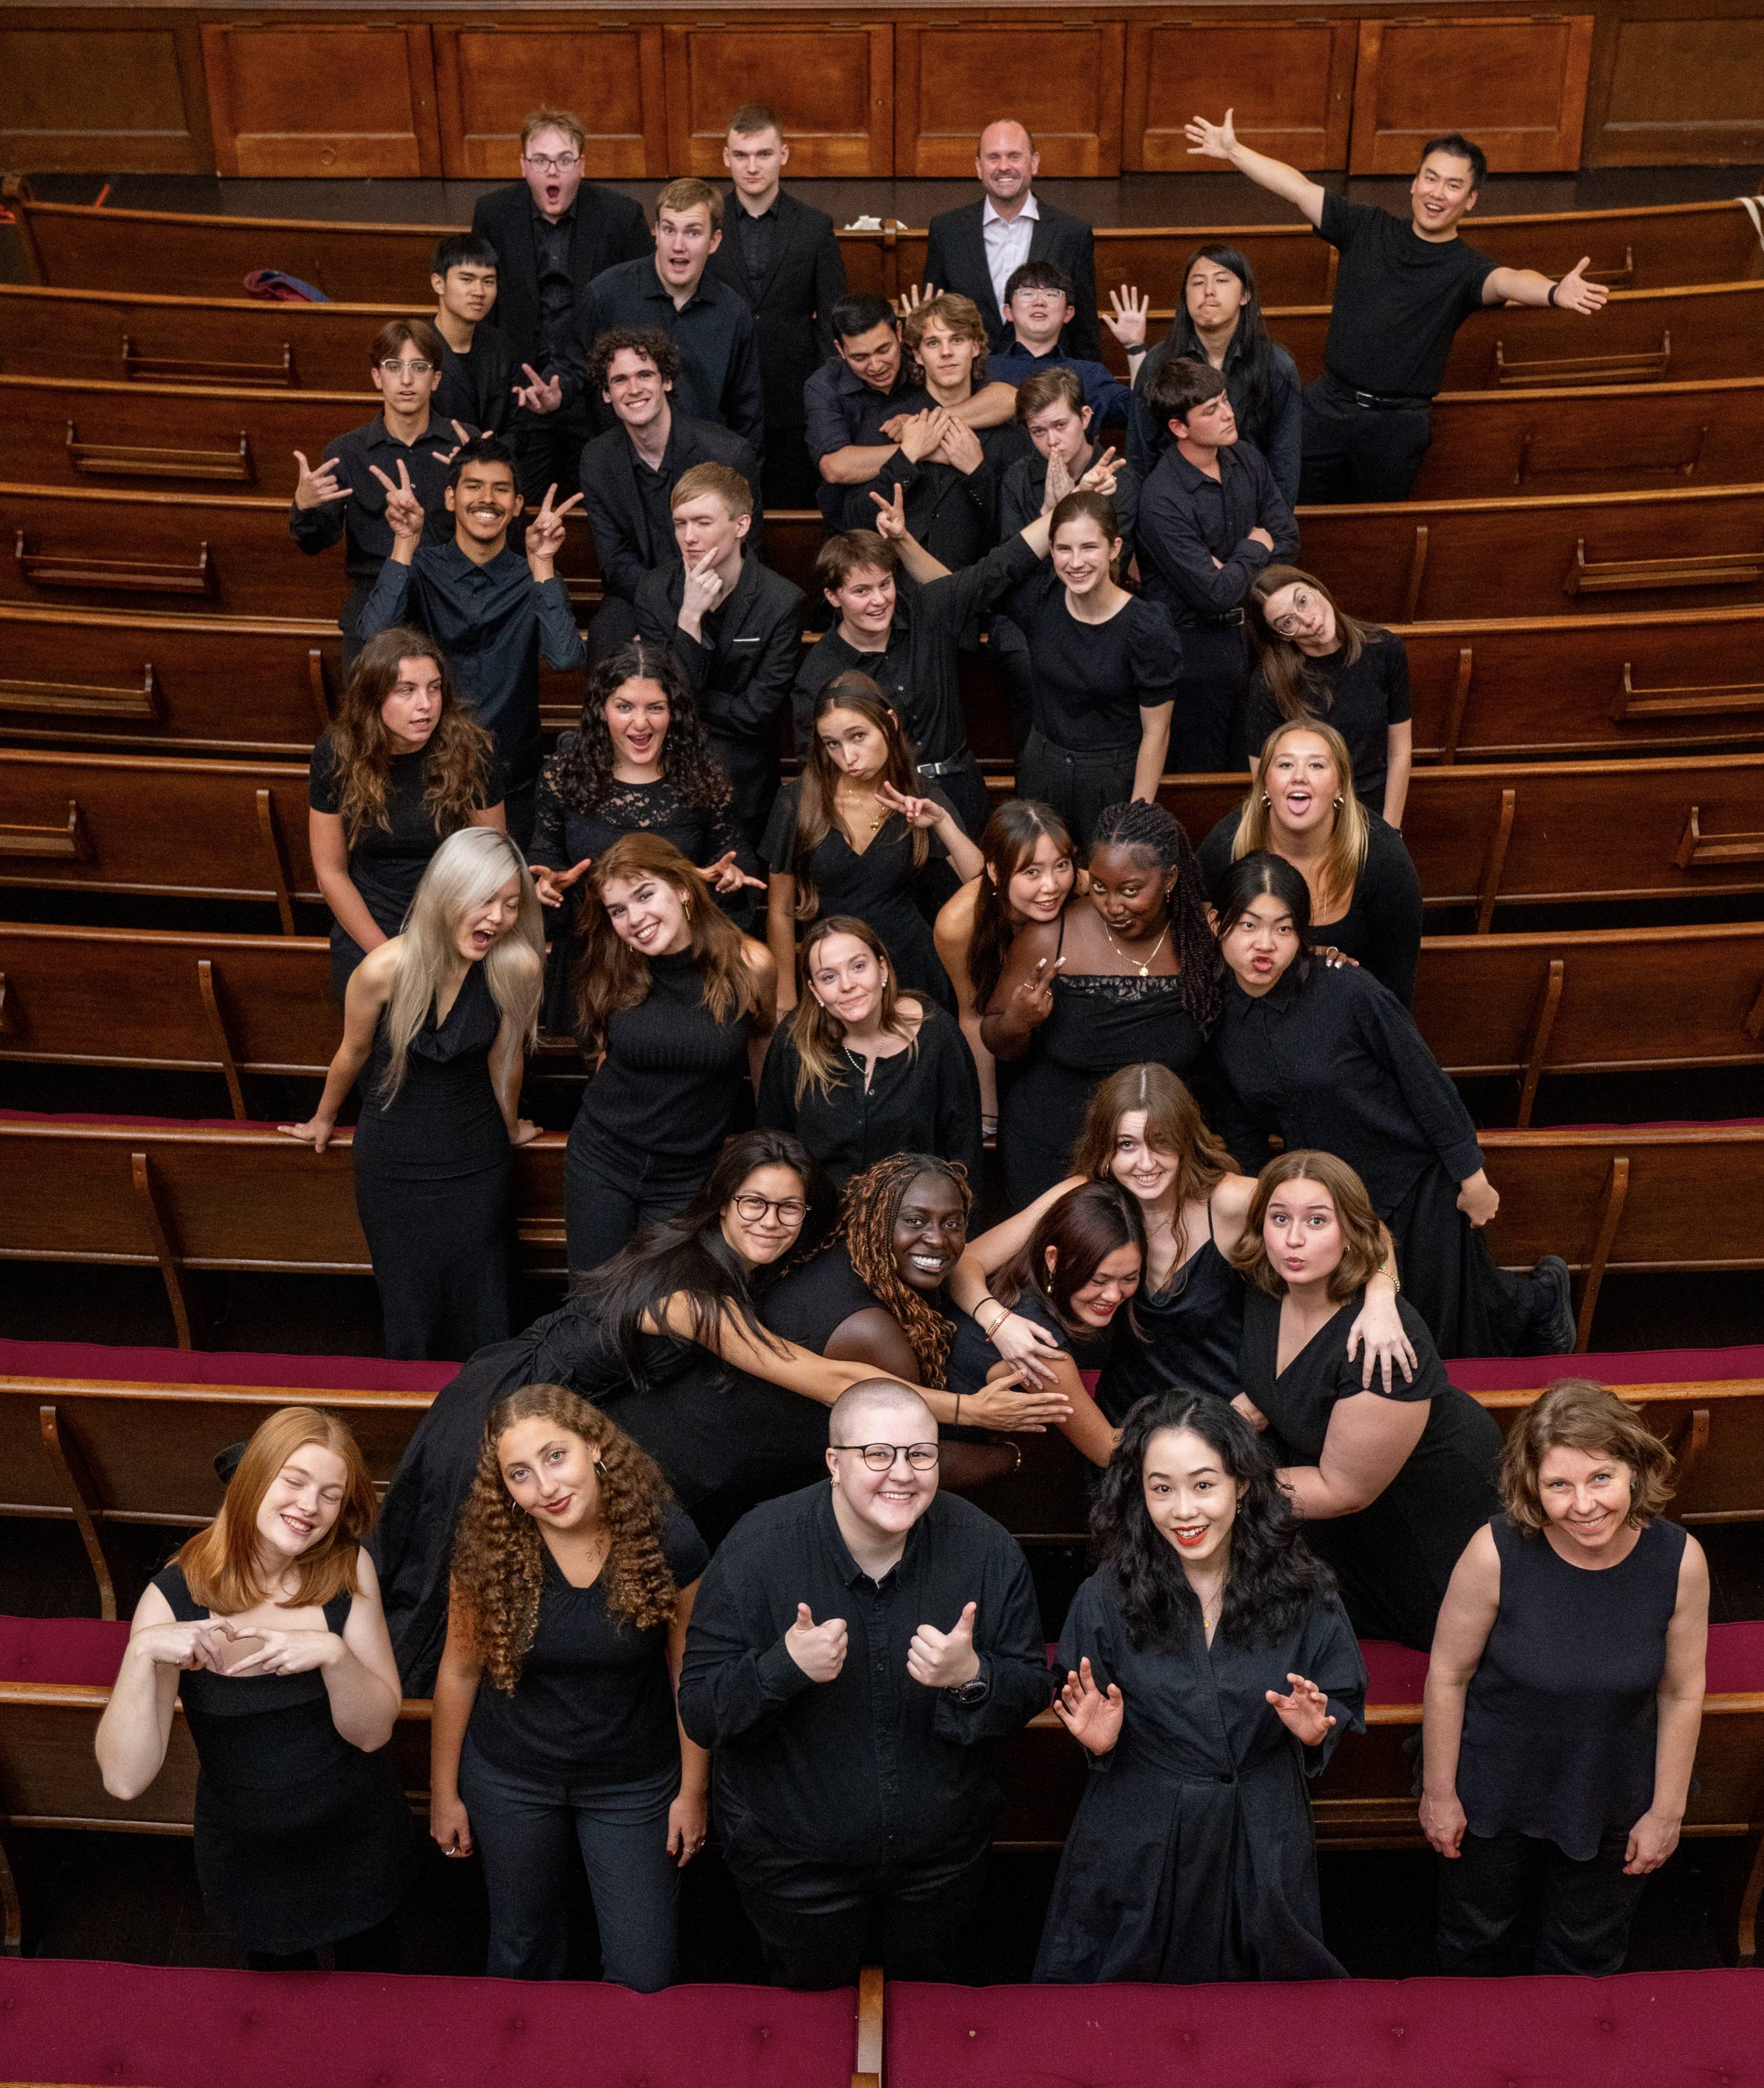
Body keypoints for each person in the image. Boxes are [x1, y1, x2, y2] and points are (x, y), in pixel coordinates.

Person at [373, 1133, 1066, 1685]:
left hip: (572, 1413)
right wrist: (968, 1408)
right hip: (506, 1405)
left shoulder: (754, 1268)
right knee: (439, 1584)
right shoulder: (691, 1292)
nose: (771, 1221)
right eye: (754, 1204)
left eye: (788, 1208)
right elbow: (825, 1377)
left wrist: (1049, 1213)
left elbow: (949, 1258)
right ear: (722, 1202)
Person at [676, 1377, 1050, 1988]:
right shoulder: (756, 1548)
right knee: (806, 2014)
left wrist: (972, 1677)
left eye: (920, 1453)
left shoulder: (985, 1548)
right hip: (795, 1866)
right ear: (833, 1461)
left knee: (929, 2008)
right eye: (877, 1453)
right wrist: (782, 1667)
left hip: (939, 1861)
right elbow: (702, 1711)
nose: (901, 1473)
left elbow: (1030, 1686)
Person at [1034, 1392, 1365, 1983]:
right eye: (1161, 1488)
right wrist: (1095, 1740)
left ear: (1241, 1483)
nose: (1183, 1510)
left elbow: (1338, 1692)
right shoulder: (1104, 1594)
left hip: (1259, 1825)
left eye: (1203, 1484)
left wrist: (1318, 1729)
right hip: (1140, 1824)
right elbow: (1079, 1696)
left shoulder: (1304, 1590)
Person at [1209, 853, 1577, 1362]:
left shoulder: (1346, 988)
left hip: (1412, 1177)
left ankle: (1541, 1301)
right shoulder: (1219, 1015)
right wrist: (1264, 1208)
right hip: (1333, 1196)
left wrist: (1471, 1176)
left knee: (1438, 1331)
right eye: (1248, 926)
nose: (1264, 945)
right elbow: (1243, 1125)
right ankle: (1539, 1299)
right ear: (1216, 923)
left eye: (1283, 928)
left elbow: (1422, 1078)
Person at [95, 1407, 415, 1971]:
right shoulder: (174, 1593)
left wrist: (337, 1658)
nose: (309, 1507)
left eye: (330, 1494)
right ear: (253, 1478)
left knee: (375, 1988)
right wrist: (143, 1655)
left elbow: (372, 1734)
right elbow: (124, 1780)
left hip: (358, 1837)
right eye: (293, 1481)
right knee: (279, 2014)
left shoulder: (348, 1566)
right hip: (250, 1855)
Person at [1422, 1380, 1709, 1975]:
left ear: (1632, 1467)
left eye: (1599, 1477)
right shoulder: (1492, 1551)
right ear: (1532, 1486)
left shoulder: (1679, 1559)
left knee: (1584, 1951)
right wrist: (1438, 1791)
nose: (1582, 1504)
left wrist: (1667, 1810)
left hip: (1610, 1788)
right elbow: (1447, 1675)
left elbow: (1681, 1690)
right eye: (1558, 1484)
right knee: (1474, 1939)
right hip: (1491, 1783)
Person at [430, 1384, 710, 1986]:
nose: (546, 1487)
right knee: (521, 1951)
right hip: (511, 1776)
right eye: (520, 1473)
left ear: (593, 1445)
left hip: (632, 1779)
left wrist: (693, 1790)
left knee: (645, 1972)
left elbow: (692, 1668)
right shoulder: (488, 1547)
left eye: (556, 1457)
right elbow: (458, 1667)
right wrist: (443, 1792)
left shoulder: (667, 1536)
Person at [951, 1061, 1413, 1419]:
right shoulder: (1088, 1194)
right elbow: (965, 1261)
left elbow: (1366, 1229)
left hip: (1232, 1412)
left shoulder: (1230, 1200)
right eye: (1127, 1145)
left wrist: (1380, 1299)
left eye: (1160, 1142)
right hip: (1131, 1417)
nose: (1144, 1162)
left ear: (1187, 1140)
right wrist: (997, 1321)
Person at [1184, 116, 1610, 504]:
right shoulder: (1366, 228)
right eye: (1430, 178)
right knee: (1280, 510)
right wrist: (1234, 151)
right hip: (1326, 406)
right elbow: (1297, 189)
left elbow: (1510, 280)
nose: (1436, 193)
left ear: (1471, 199)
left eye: (1452, 185)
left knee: (1372, 534)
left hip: (1396, 427)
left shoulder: (1467, 268)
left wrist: (1554, 291)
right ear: (1414, 182)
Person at [281, 828, 545, 1360]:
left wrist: (511, 1124)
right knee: (411, 1303)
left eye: (511, 904)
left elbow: (506, 1060)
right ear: (447, 893)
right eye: (485, 900)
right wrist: (323, 1118)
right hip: (392, 1163)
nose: (497, 918)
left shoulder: (517, 966)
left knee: (486, 1302)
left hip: (477, 1160)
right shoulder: (382, 969)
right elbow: (352, 1054)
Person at [1230, 1148, 1504, 1648]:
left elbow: (1342, 1490)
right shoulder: (1269, 1286)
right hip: (1342, 1514)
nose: (1293, 1239)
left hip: (1420, 1523)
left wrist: (1212, 1485)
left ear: (1349, 1231)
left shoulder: (1381, 1344)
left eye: (1317, 1221)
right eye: (1279, 1218)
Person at [983, 799, 1220, 1208]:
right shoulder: (1049, 937)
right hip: (1053, 1146)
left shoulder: (1203, 937)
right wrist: (1017, 1021)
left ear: (1169, 879)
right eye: (1099, 887)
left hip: (1158, 1155)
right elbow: (995, 1037)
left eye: (1130, 890)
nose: (1112, 906)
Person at [357, 432, 586, 849]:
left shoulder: (533, 577)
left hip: (512, 775)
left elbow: (566, 656)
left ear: (517, 506)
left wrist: (544, 564)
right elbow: (373, 639)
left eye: (501, 489)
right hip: (427, 772)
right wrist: (404, 542)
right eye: (473, 486)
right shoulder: (420, 567)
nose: (488, 499)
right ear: (450, 498)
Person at [562, 833, 775, 1274]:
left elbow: (762, 1044)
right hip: (601, 1160)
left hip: (687, 1175)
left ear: (681, 888)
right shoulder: (614, 962)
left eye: (644, 895)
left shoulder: (750, 965)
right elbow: (607, 1056)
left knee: (667, 1309)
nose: (634, 919)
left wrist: (767, 1142)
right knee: (594, 1306)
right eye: (618, 910)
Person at [528, 639, 758, 1030]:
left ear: (674, 713)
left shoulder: (705, 779)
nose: (641, 723)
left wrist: (727, 884)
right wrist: (546, 889)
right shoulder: (563, 776)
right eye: (624, 707)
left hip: (681, 969)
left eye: (655, 707)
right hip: (590, 966)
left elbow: (734, 878)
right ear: (602, 710)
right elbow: (545, 864)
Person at [765, 674, 983, 1017]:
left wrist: (943, 823)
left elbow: (979, 882)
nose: (847, 756)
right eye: (832, 744)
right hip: (837, 977)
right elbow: (780, 910)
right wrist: (784, 999)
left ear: (890, 724)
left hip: (912, 969)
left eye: (858, 737)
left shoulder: (920, 793)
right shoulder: (799, 801)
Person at [307, 626, 504, 999]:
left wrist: (458, 942)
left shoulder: (472, 750)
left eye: (434, 688)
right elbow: (330, 872)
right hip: (371, 917)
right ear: (374, 697)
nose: (426, 704)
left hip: (457, 915)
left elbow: (492, 863)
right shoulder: (337, 753)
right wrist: (387, 956)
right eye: (407, 690)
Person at [470, 107, 651, 504]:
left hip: (596, 398)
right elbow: (484, 307)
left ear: (582, 166)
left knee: (606, 509)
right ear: (523, 165)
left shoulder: (621, 218)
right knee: (517, 509)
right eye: (540, 160)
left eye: (564, 160)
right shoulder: (494, 214)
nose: (553, 171)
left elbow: (640, 311)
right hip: (521, 397)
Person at [1137, 356, 1299, 775]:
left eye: (1224, 400)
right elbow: (1212, 595)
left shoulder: (1245, 458)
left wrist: (1231, 566)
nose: (1228, 414)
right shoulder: (1161, 498)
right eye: (1210, 410)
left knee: (1258, 771)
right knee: (1205, 777)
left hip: (1255, 635)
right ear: (1178, 428)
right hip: (1194, 652)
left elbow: (1286, 539)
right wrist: (1252, 547)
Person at [636, 462, 805, 849]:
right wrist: (690, 617)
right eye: (680, 524)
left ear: (741, 525)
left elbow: (758, 715)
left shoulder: (781, 601)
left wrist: (686, 702)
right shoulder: (655, 591)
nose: (689, 537)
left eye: (703, 522)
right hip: (666, 781)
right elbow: (656, 704)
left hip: (742, 789)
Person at [1197, 720, 1422, 1004]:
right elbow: (1201, 954)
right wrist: (1306, 958)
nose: (1299, 777)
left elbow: (1396, 989)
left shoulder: (1384, 857)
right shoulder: (1226, 845)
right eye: (1285, 765)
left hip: (1343, 1016)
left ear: (1340, 785)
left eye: (1316, 765)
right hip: (1245, 1010)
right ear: (1265, 783)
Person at [998, 489, 1177, 846]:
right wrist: (904, 542)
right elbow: (959, 589)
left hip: (1111, 779)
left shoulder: (1147, 626)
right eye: (1064, 549)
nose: (1075, 562)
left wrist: (1135, 818)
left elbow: (1157, 733)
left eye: (1089, 547)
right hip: (1042, 772)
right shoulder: (1039, 600)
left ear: (1114, 549)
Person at [288, 319, 467, 668]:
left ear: (436, 380)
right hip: (375, 598)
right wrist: (304, 506)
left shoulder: (464, 444)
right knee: (368, 718)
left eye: (419, 368)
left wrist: (476, 479)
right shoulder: (346, 452)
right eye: (393, 367)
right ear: (376, 378)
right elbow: (314, 543)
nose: (405, 380)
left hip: (453, 600)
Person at [757, 916, 983, 1188]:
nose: (847, 984)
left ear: (883, 969)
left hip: (912, 1221)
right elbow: (772, 1144)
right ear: (815, 990)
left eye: (859, 967)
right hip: (820, 1219)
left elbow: (964, 1154)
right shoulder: (794, 1040)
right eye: (829, 977)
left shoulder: (937, 1036)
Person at [577, 328, 761, 661]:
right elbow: (615, 562)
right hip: (637, 594)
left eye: (645, 375)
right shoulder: (597, 459)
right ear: (606, 394)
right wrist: (660, 608)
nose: (634, 390)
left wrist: (689, 606)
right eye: (620, 380)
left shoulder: (728, 454)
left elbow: (747, 548)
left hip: (718, 591)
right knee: (608, 640)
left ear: (667, 382)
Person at [708, 102, 847, 508]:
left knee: (791, 512)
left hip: (794, 398)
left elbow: (832, 321)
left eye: (763, 154)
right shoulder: (705, 222)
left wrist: (823, 393)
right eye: (741, 155)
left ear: (782, 155)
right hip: (721, 394)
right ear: (727, 158)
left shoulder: (814, 225)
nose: (752, 167)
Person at [949, 1180, 1145, 1468]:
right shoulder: (1040, 1348)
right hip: (964, 1470)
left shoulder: (1023, 1284)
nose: (1114, 1296)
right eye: (1099, 1280)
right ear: (1053, 1259)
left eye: (1130, 1278)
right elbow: (1108, 1450)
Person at [566, 178, 765, 459]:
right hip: (624, 469)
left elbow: (747, 412)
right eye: (669, 230)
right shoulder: (606, 294)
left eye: (693, 233)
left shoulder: (733, 312)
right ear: (656, 232)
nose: (678, 245)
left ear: (714, 241)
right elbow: (577, 373)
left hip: (705, 475)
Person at [835, 292, 1029, 565]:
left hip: (977, 589)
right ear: (918, 354)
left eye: (957, 340)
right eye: (933, 343)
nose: (946, 352)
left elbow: (1016, 537)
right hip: (897, 589)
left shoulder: (1009, 435)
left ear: (976, 347)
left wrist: (978, 474)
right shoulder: (892, 424)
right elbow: (856, 520)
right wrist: (907, 456)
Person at [934, 798, 1077, 1136]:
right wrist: (987, 1115)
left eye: (1061, 865)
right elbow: (973, 1015)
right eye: (1032, 872)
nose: (1051, 886)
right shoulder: (958, 924)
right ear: (996, 872)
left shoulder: (1084, 891)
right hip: (995, 1041)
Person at [1124, 244, 1302, 504]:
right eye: (1197, 283)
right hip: (1175, 509)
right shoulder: (1159, 363)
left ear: (1245, 295)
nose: (1209, 291)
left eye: (1221, 280)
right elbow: (1140, 454)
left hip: (1251, 506)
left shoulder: (1277, 365)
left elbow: (1285, 461)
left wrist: (1272, 530)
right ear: (1185, 297)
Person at [1242, 569, 1414, 828]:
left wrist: (1391, 832)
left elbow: (1399, 751)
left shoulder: (1384, 650)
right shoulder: (1268, 681)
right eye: (1288, 622)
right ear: (1279, 636)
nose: (1308, 620)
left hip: (1373, 809)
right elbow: (1265, 780)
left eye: (1303, 601)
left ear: (1316, 588)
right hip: (1308, 816)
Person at [923, 119, 1100, 359]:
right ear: (979, 167)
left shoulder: (1071, 234)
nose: (1003, 167)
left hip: (1048, 383)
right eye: (993, 157)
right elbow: (933, 315)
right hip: (972, 379)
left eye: (1014, 156)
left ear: (1034, 163)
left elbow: (1084, 329)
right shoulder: (947, 231)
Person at [989, 260, 1142, 429]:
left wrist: (1135, 347)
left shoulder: (1089, 374)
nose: (1039, 302)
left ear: (1068, 314)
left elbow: (1139, 415)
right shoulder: (983, 368)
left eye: (1052, 294)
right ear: (1008, 312)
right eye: (1027, 294)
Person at [429, 234, 518, 440]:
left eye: (488, 281)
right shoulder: (419, 348)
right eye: (467, 280)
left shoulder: (502, 346)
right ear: (438, 283)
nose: (479, 292)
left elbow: (518, 429)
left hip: (498, 465)